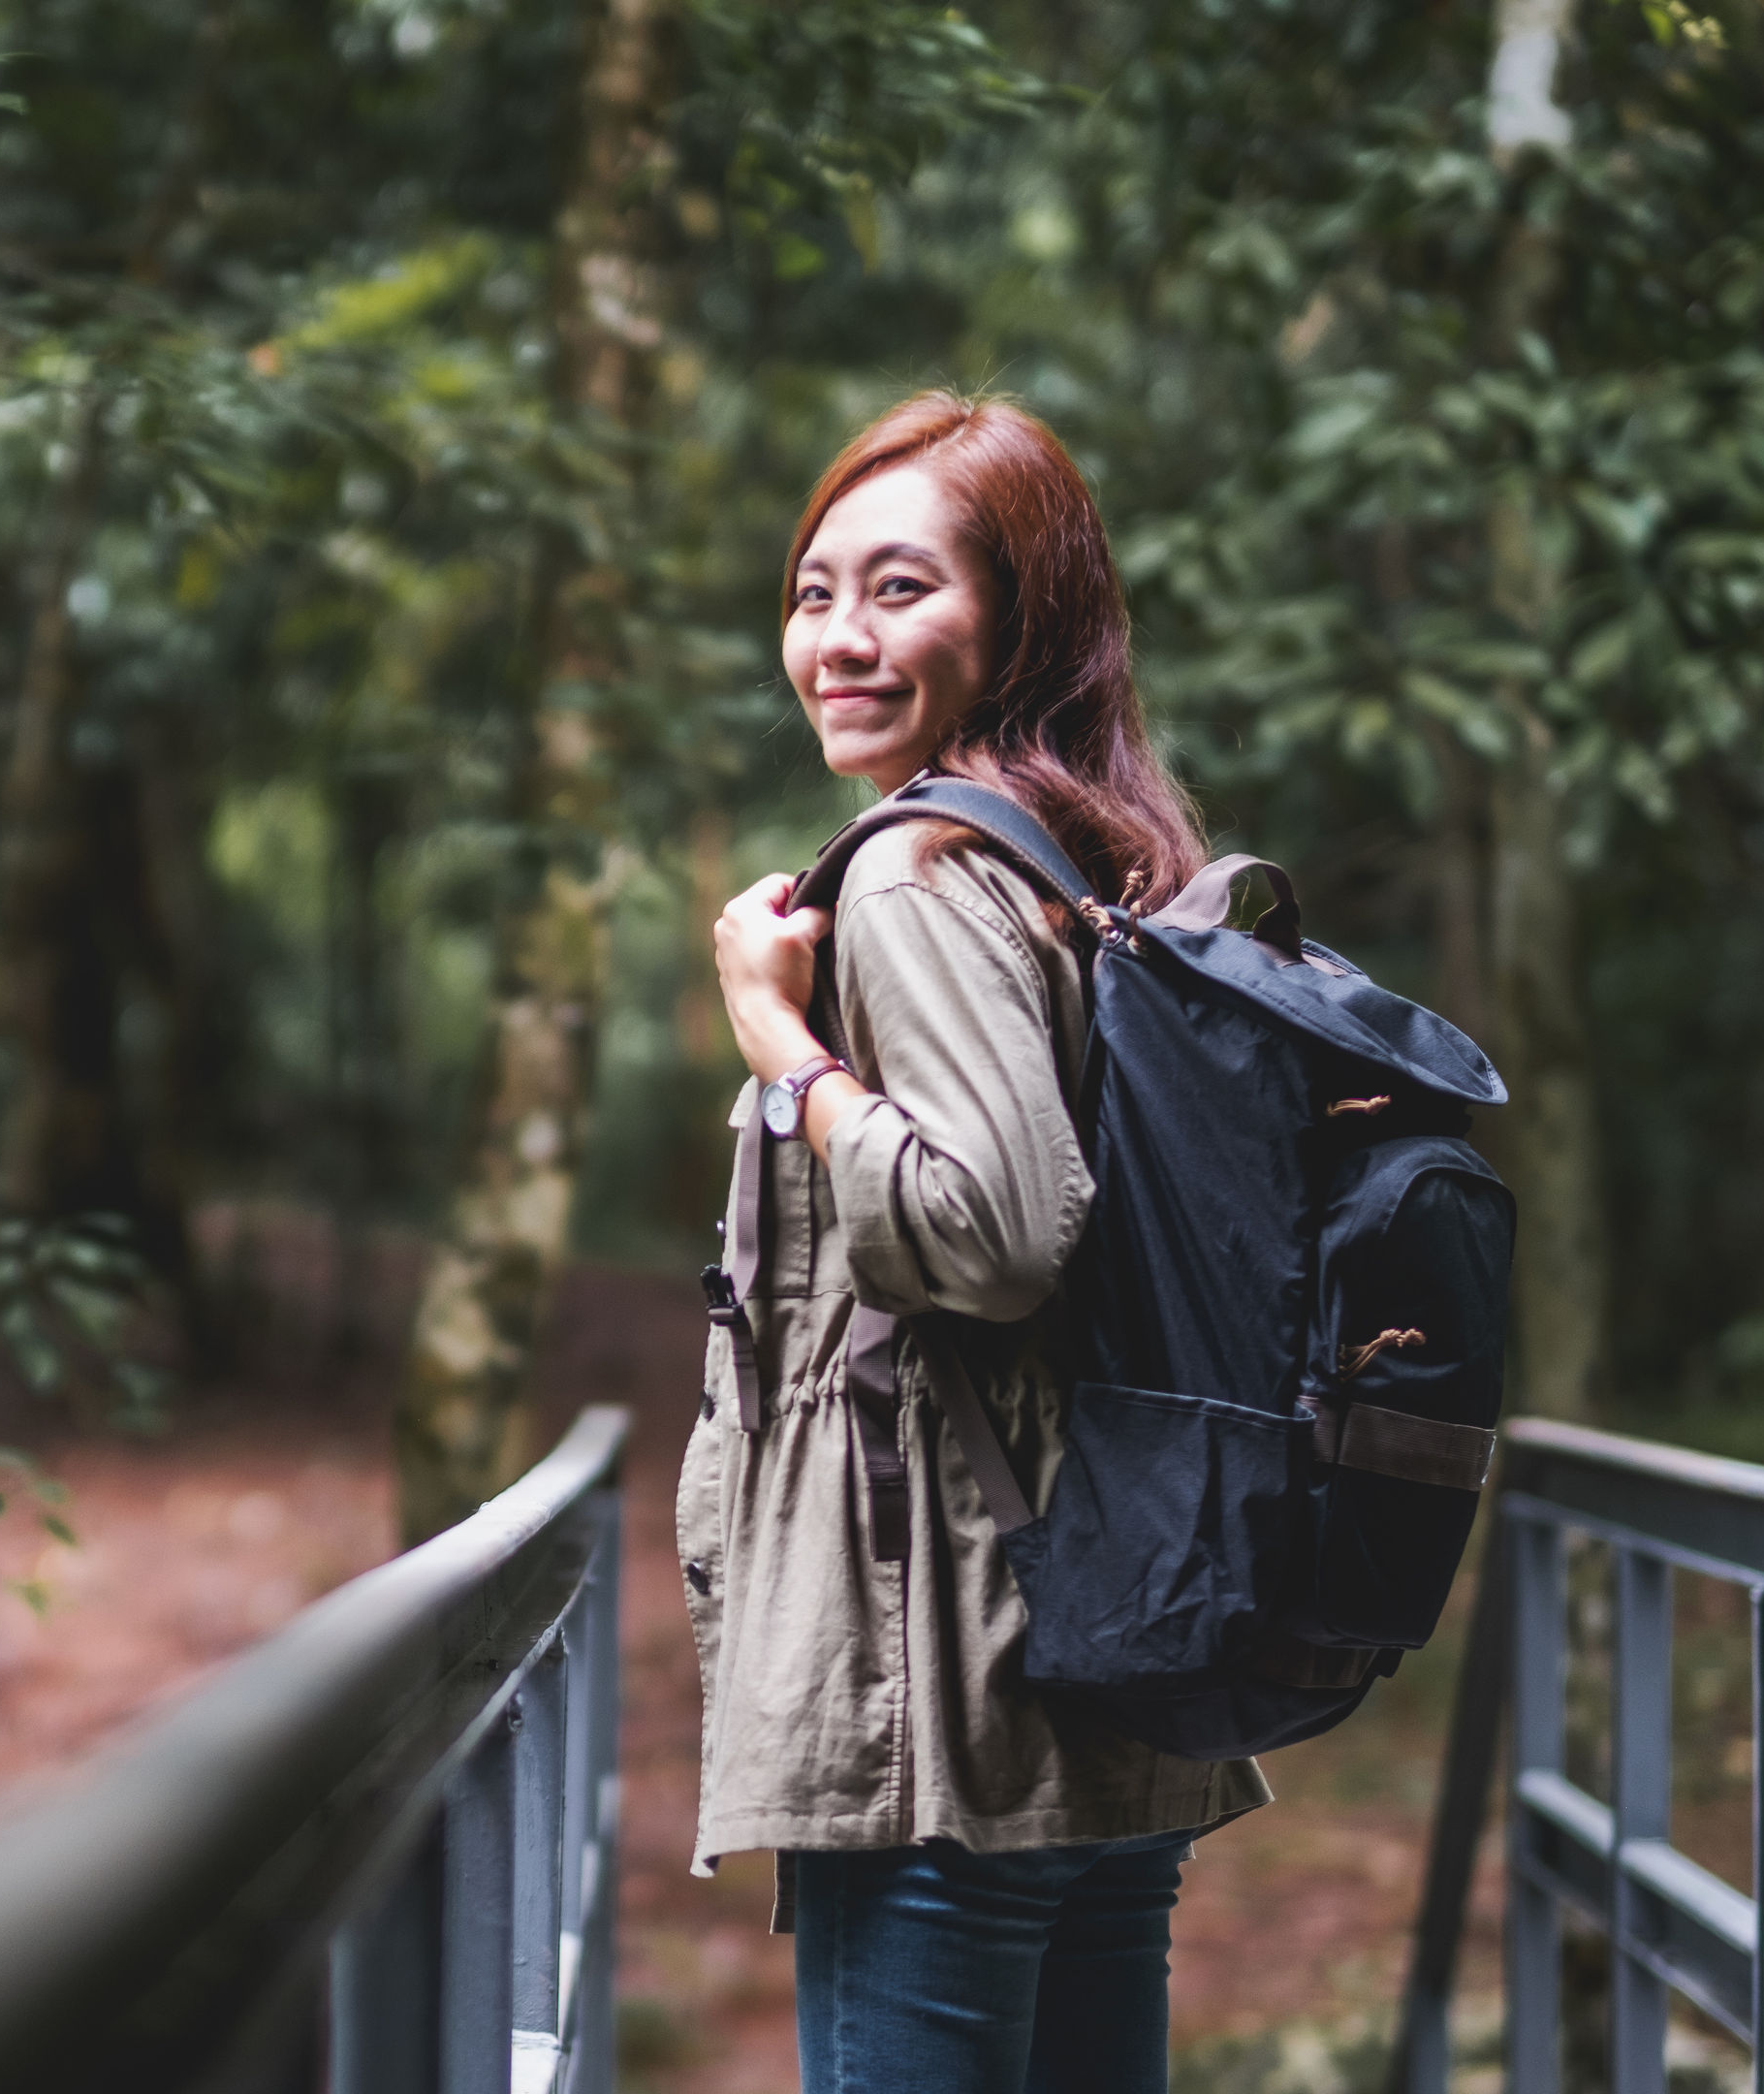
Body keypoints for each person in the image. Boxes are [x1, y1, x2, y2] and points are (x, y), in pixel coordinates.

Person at [683, 390, 1263, 2094]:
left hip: (944, 1698)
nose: (840, 641)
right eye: (812, 592)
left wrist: (780, 1046)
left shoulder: (923, 877)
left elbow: (999, 1233)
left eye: (901, 590)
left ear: (1022, 621)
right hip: (1100, 1673)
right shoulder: (1092, 863)